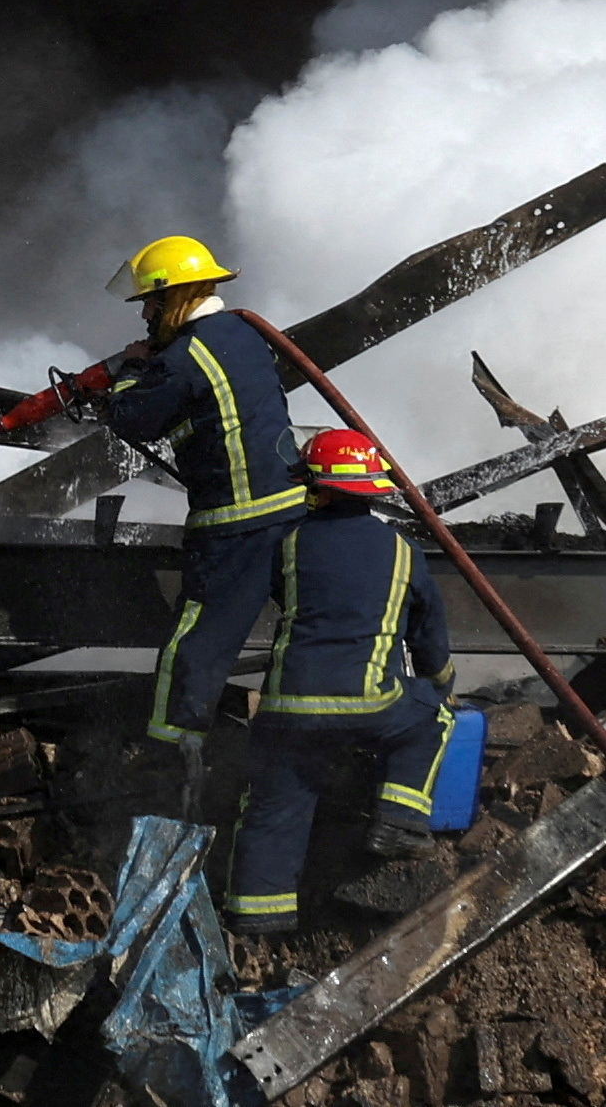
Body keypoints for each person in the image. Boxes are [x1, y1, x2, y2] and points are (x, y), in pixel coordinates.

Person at [96, 237, 309, 783]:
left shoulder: (185, 358)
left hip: (236, 524)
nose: (145, 314)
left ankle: (172, 767)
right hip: (293, 509)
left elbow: (130, 419)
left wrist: (126, 369)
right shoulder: (242, 333)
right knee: (312, 629)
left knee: (193, 648)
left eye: (150, 303)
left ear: (181, 296)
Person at [226, 427, 456, 929]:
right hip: (368, 704)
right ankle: (399, 821)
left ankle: (255, 926)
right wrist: (440, 679)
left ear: (320, 487)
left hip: (286, 711)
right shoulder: (404, 553)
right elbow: (429, 633)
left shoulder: (287, 545)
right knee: (431, 716)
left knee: (275, 805)